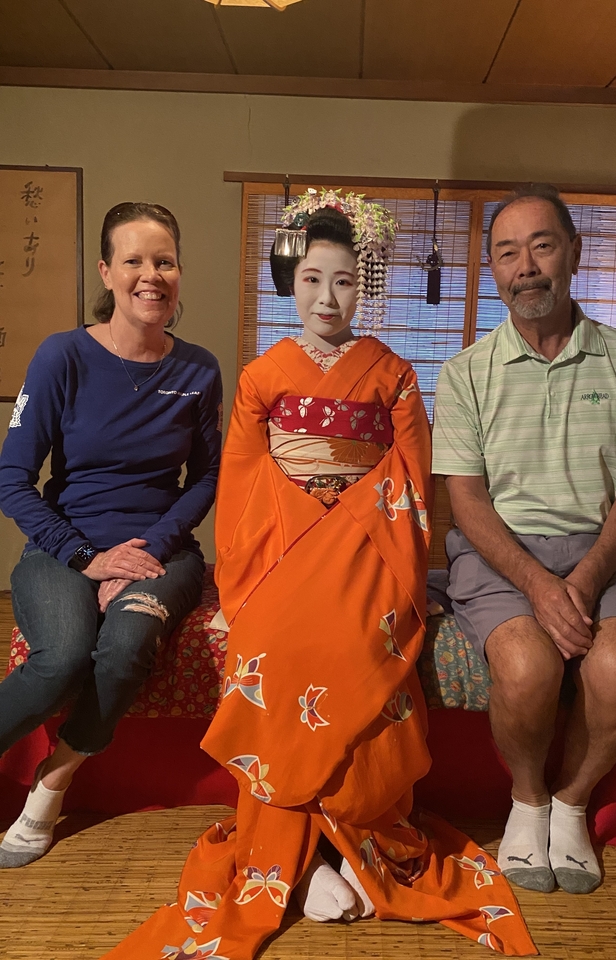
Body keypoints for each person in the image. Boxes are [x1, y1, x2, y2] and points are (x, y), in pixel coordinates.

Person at [102, 191, 536, 959]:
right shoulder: (266, 374)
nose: (326, 298)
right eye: (311, 279)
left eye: (342, 281)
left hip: (370, 548)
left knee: (364, 654)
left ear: (359, 288)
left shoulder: (394, 374)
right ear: (290, 283)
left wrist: (367, 535)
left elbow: (410, 473)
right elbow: (241, 480)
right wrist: (249, 575)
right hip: (284, 547)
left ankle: (351, 848)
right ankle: (299, 857)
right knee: (272, 649)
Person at [432, 183, 616, 895]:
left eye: (541, 245)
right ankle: (527, 799)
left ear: (573, 252)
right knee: (529, 669)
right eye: (508, 253)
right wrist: (537, 584)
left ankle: (571, 802)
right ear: (493, 271)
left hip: (602, 549)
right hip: (499, 552)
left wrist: (588, 578)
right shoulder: (465, 371)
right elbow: (465, 501)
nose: (525, 266)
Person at [0, 201, 222, 868]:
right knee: (63, 658)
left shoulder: (199, 370)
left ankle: (53, 781)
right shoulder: (62, 355)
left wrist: (147, 551)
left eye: (164, 261)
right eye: (134, 261)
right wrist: (88, 559)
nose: (151, 275)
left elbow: (208, 479)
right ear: (107, 270)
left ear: (179, 272)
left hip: (163, 552)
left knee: (124, 647)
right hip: (64, 547)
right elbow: (12, 480)